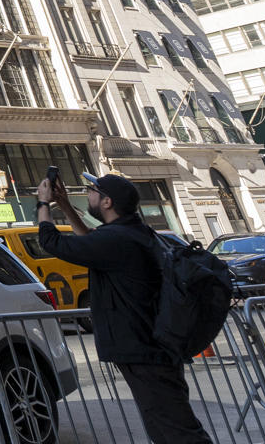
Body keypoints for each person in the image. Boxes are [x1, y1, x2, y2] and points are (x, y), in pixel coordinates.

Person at [37, 172, 213, 444]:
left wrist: (43, 204)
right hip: (150, 346)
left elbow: (52, 242)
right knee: (163, 426)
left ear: (107, 202)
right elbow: (89, 239)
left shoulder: (118, 239)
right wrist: (66, 206)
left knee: (178, 430)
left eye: (92, 190)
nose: (88, 195)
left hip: (143, 348)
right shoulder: (133, 233)